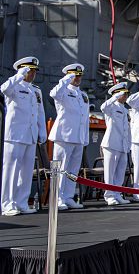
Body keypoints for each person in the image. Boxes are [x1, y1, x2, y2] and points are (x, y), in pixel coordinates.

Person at [1, 57, 46, 216]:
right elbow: (3, 89)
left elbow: (40, 112)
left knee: (26, 171)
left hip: (30, 135)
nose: (32, 73)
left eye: (34, 71)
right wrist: (19, 75)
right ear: (21, 70)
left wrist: (42, 131)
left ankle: (21, 203)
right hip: (14, 135)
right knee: (11, 170)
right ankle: (7, 204)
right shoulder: (13, 86)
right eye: (29, 70)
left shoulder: (36, 90)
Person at [49, 63, 89, 210]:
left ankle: (68, 196)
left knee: (73, 170)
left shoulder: (83, 95)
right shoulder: (63, 91)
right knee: (61, 168)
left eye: (79, 76)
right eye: (74, 76)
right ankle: (58, 197)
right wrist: (66, 79)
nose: (77, 78)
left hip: (78, 137)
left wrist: (85, 138)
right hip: (64, 136)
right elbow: (53, 94)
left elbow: (84, 118)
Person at [100, 83, 132, 206]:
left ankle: (118, 194)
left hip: (122, 144)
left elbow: (127, 129)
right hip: (111, 143)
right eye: (124, 94)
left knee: (120, 171)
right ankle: (109, 195)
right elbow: (103, 107)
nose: (125, 96)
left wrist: (128, 144)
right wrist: (114, 97)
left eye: (126, 94)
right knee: (110, 171)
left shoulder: (124, 110)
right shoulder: (111, 107)